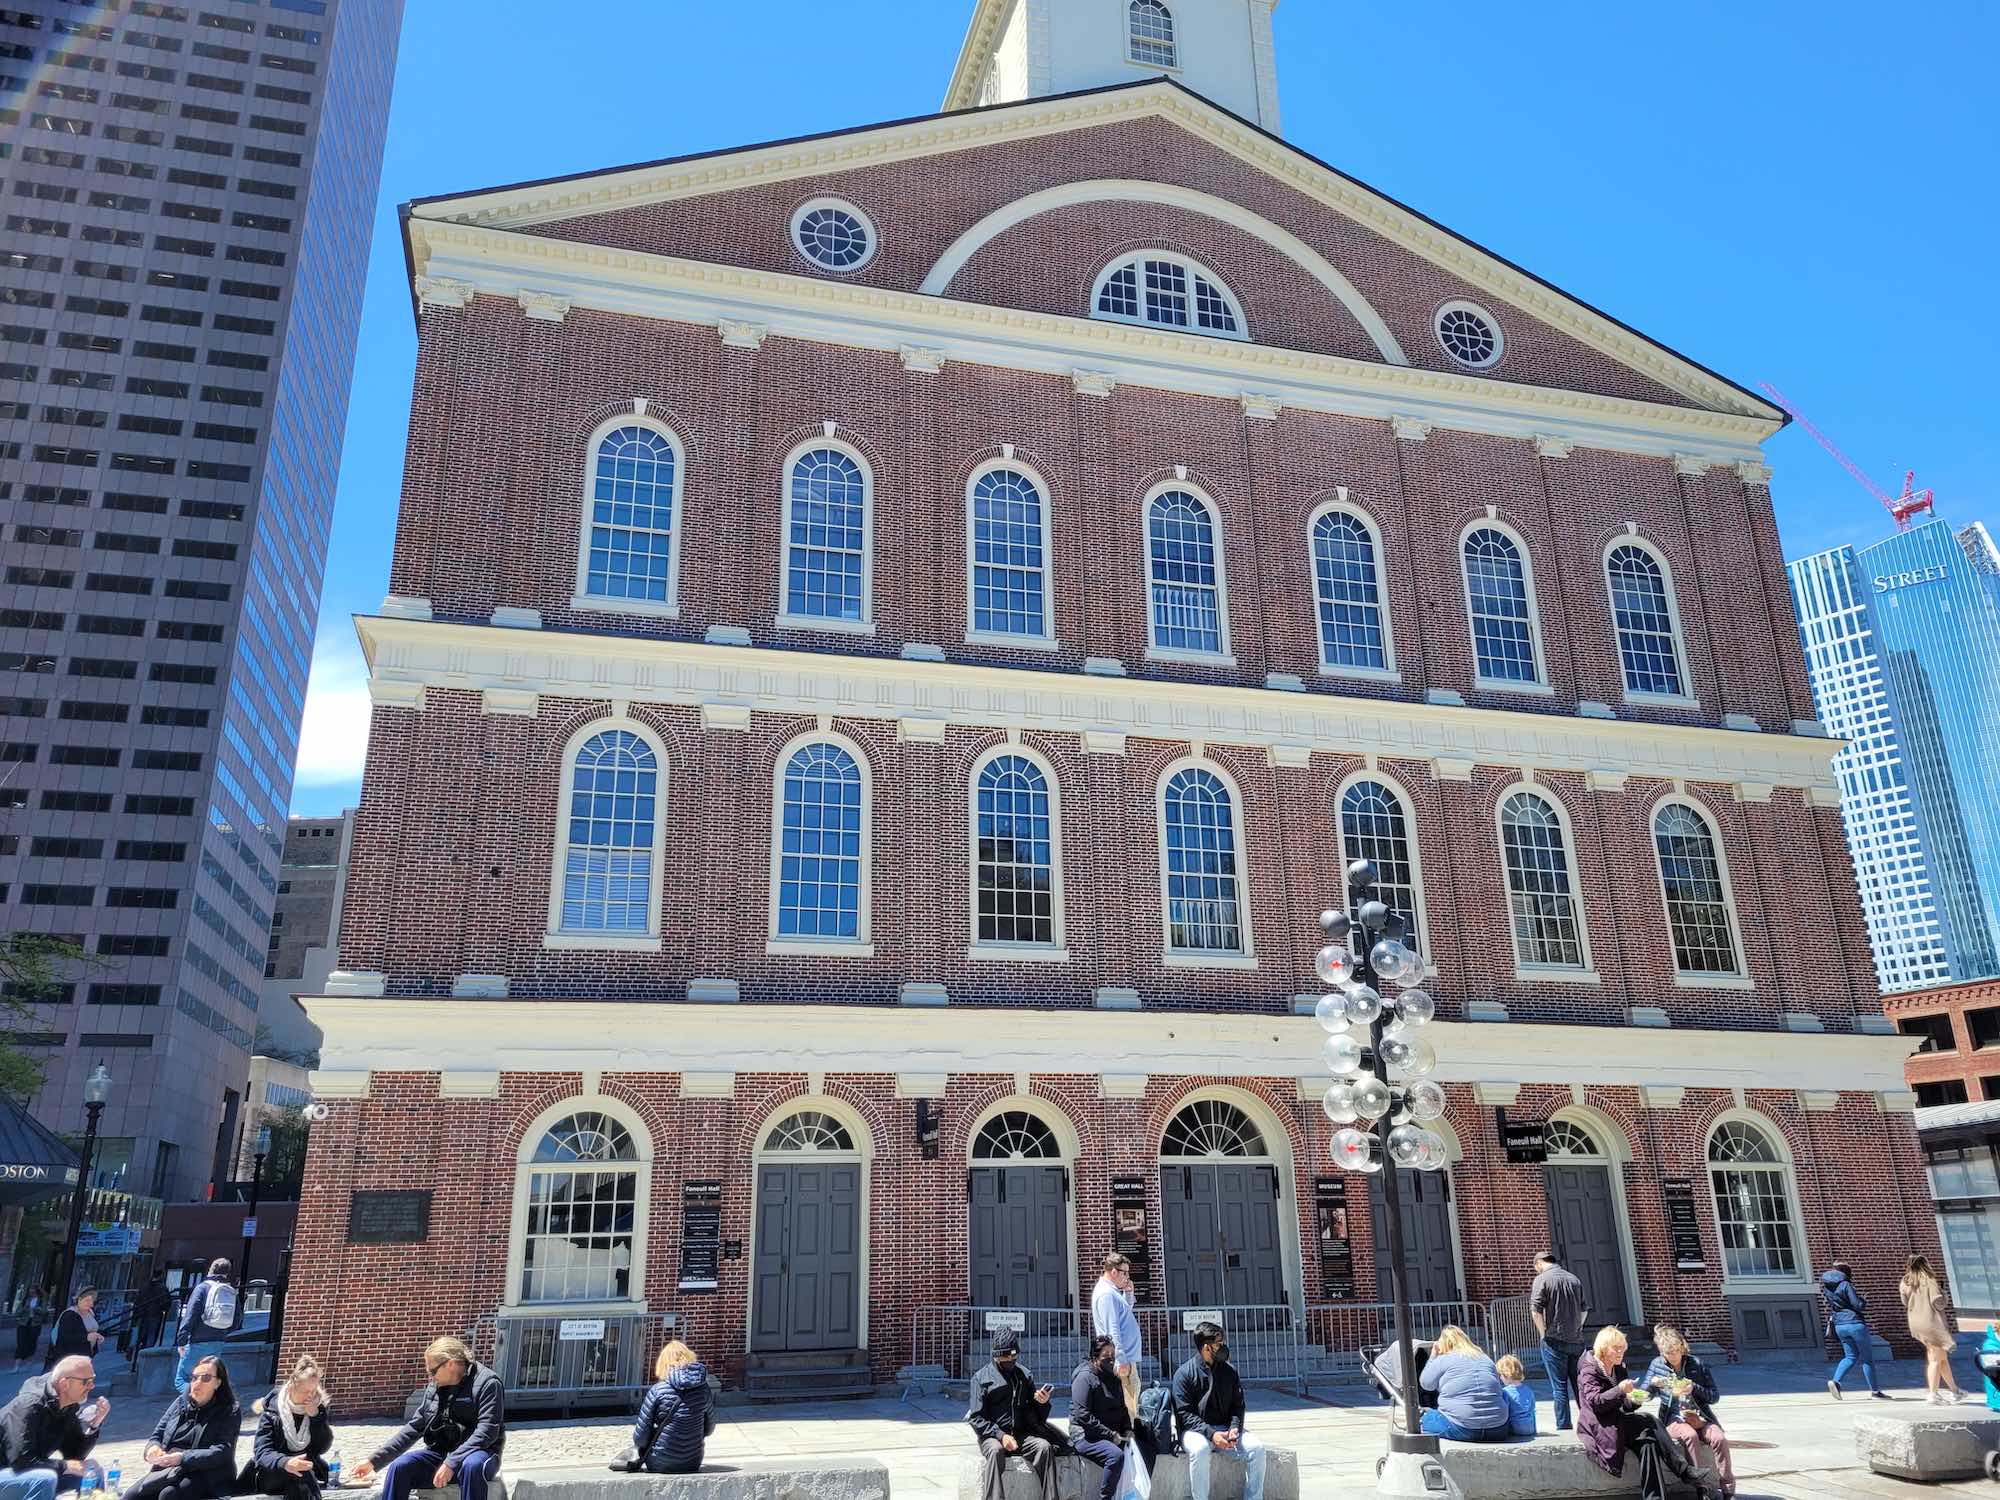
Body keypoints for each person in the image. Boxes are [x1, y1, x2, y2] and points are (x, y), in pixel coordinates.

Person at [350, 1338, 505, 1500]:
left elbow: (487, 1432)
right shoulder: (434, 1388)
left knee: (472, 1466)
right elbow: (413, 1429)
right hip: (439, 1454)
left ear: (450, 1364)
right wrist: (372, 1461)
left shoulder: (488, 1383)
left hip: (480, 1453)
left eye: (433, 1371)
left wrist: (452, 1462)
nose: (430, 1376)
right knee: (400, 1467)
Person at [1577, 1326, 1718, 1500]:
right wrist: (1620, 1390)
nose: (1621, 1352)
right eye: (1616, 1348)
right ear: (1604, 1348)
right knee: (1649, 1420)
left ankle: (1656, 1496)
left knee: (1648, 1443)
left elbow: (1625, 1406)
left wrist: (1636, 1400)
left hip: (1616, 1418)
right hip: (1599, 1424)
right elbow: (1595, 1403)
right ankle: (1684, 1471)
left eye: (1623, 1347)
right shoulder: (1589, 1369)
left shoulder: (1618, 1366)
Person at [967, 1328, 1067, 1500]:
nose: (1011, 1361)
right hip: (993, 1436)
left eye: (1014, 1357)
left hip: (1021, 1434)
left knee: (1044, 1447)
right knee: (995, 1451)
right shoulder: (981, 1379)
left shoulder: (1023, 1375)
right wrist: (1001, 1435)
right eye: (1006, 1357)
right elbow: (976, 1419)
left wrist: (1041, 1403)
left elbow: (1036, 1417)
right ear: (996, 1356)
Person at [1171, 1322, 1266, 1500]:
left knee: (1257, 1448)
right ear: (1206, 1347)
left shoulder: (1230, 1371)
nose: (1223, 1347)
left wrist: (1235, 1427)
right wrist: (1212, 1434)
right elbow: (1185, 1414)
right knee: (1200, 1450)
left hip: (1226, 1429)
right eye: (1218, 1343)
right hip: (1196, 1432)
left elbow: (1238, 1405)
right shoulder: (1183, 1374)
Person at [126, 1356, 242, 1500]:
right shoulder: (180, 1403)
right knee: (131, 1496)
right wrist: (152, 1448)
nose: (197, 1383)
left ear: (218, 1383)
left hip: (207, 1472)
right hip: (170, 1470)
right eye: (194, 1378)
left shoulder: (229, 1410)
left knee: (168, 1496)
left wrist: (183, 1458)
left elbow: (222, 1451)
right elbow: (157, 1435)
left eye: (205, 1378)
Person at [1644, 1325, 1734, 1500]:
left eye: (1677, 1351)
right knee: (1690, 1436)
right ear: (1662, 1352)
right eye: (1669, 1353)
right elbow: (1645, 1396)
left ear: (1682, 1347)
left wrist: (1694, 1388)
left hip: (1701, 1417)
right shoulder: (1656, 1365)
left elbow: (1714, 1397)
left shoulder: (1696, 1364)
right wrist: (1652, 1384)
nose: (1674, 1357)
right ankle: (1702, 1489)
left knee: (1719, 1438)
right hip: (1673, 1419)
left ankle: (1728, 1490)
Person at [0, 1356, 108, 1500]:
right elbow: (21, 1461)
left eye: (92, 1380)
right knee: (46, 1478)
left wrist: (95, 1424)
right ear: (64, 1384)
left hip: (21, 1472)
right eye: (86, 1382)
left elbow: (75, 1455)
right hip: (9, 1471)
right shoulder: (28, 1405)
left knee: (92, 1472)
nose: (91, 1386)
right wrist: (64, 1466)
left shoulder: (67, 1406)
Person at [240, 1355, 335, 1500]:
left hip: (303, 1471)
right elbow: (262, 1452)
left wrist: (316, 1418)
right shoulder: (273, 1411)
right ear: (292, 1386)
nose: (310, 1397)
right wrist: (286, 1462)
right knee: (301, 1472)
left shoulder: (316, 1409)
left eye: (313, 1392)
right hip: (272, 1471)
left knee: (299, 1477)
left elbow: (321, 1448)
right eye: (305, 1392)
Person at [625, 1341, 713, 1476]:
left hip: (660, 1462)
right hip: (693, 1461)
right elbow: (709, 1429)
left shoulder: (657, 1391)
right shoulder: (704, 1390)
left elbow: (640, 1438)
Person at [1414, 1325, 1511, 1443]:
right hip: (1498, 1429)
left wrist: (1433, 1356)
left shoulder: (1444, 1359)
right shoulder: (1485, 1359)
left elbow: (1426, 1384)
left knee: (1425, 1418)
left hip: (1462, 1428)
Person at [1529, 1250, 1588, 1431]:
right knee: (1580, 1386)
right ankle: (1589, 1423)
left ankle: (1564, 1425)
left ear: (1539, 1263)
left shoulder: (1542, 1279)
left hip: (1554, 1340)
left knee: (1559, 1387)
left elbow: (1535, 1310)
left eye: (1535, 1267)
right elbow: (1584, 1309)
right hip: (1576, 1340)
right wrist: (1577, 1327)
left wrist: (1542, 1333)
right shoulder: (1574, 1279)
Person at [1901, 1254, 1970, 1405]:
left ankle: (1955, 1391)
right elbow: (1938, 1303)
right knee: (1934, 1360)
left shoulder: (1905, 1282)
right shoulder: (1929, 1281)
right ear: (1925, 1265)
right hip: (1931, 1323)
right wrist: (1944, 1294)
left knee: (1941, 1357)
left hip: (1916, 1323)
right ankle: (1933, 1394)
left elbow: (1905, 1302)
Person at [1068, 1335, 1131, 1500]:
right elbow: (1083, 1416)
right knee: (1116, 1456)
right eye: (1106, 1357)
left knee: (1145, 1445)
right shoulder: (1084, 1378)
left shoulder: (1113, 1376)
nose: (1111, 1360)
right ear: (1095, 1359)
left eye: (1113, 1356)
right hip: (1086, 1434)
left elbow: (1122, 1407)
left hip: (1111, 1431)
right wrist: (1110, 1435)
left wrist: (1128, 1429)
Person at [1820, 1260, 1885, 1400]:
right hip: (1855, 1324)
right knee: (1867, 1360)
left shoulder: (1827, 1287)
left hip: (1839, 1325)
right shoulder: (1846, 1284)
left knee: (1850, 1356)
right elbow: (1857, 1305)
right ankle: (1875, 1391)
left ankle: (1836, 1381)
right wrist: (1863, 1300)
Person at [173, 1260, 240, 1396]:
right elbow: (237, 1320)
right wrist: (223, 1330)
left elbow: (191, 1314)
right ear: (227, 1272)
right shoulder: (230, 1291)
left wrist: (181, 1340)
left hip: (198, 1340)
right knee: (207, 1378)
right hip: (219, 1341)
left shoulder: (202, 1288)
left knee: (182, 1380)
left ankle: (196, 1403)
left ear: (211, 1269)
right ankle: (207, 1403)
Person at [1090, 1252, 1142, 1421]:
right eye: (1124, 1272)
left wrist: (1128, 1293)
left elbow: (1124, 1314)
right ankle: (1131, 1441)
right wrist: (1120, 1359)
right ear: (1113, 1271)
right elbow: (1112, 1330)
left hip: (1126, 1357)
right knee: (1129, 1406)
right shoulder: (1106, 1294)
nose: (1127, 1277)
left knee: (1132, 1401)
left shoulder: (1112, 1292)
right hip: (1121, 1358)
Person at [46, 1292, 101, 1367]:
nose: (90, 1303)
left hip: (83, 1355)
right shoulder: (70, 1314)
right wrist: (86, 1337)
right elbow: (64, 1337)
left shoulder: (89, 1313)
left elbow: (92, 1329)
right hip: (70, 1356)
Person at [1494, 1354, 1536, 1437]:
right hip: (1530, 1428)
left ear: (1506, 1375)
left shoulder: (1505, 1392)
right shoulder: (1529, 1390)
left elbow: (1505, 1413)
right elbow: (1532, 1410)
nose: (1500, 1378)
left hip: (1514, 1428)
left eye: (1501, 1375)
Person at [132, 1277, 172, 1354]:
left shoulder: (144, 1287)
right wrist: (164, 1309)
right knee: (151, 1334)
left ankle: (133, 1347)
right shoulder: (162, 1288)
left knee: (140, 1333)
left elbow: (138, 1299)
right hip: (155, 1313)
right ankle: (147, 1352)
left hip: (143, 1313)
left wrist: (137, 1312)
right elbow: (166, 1301)